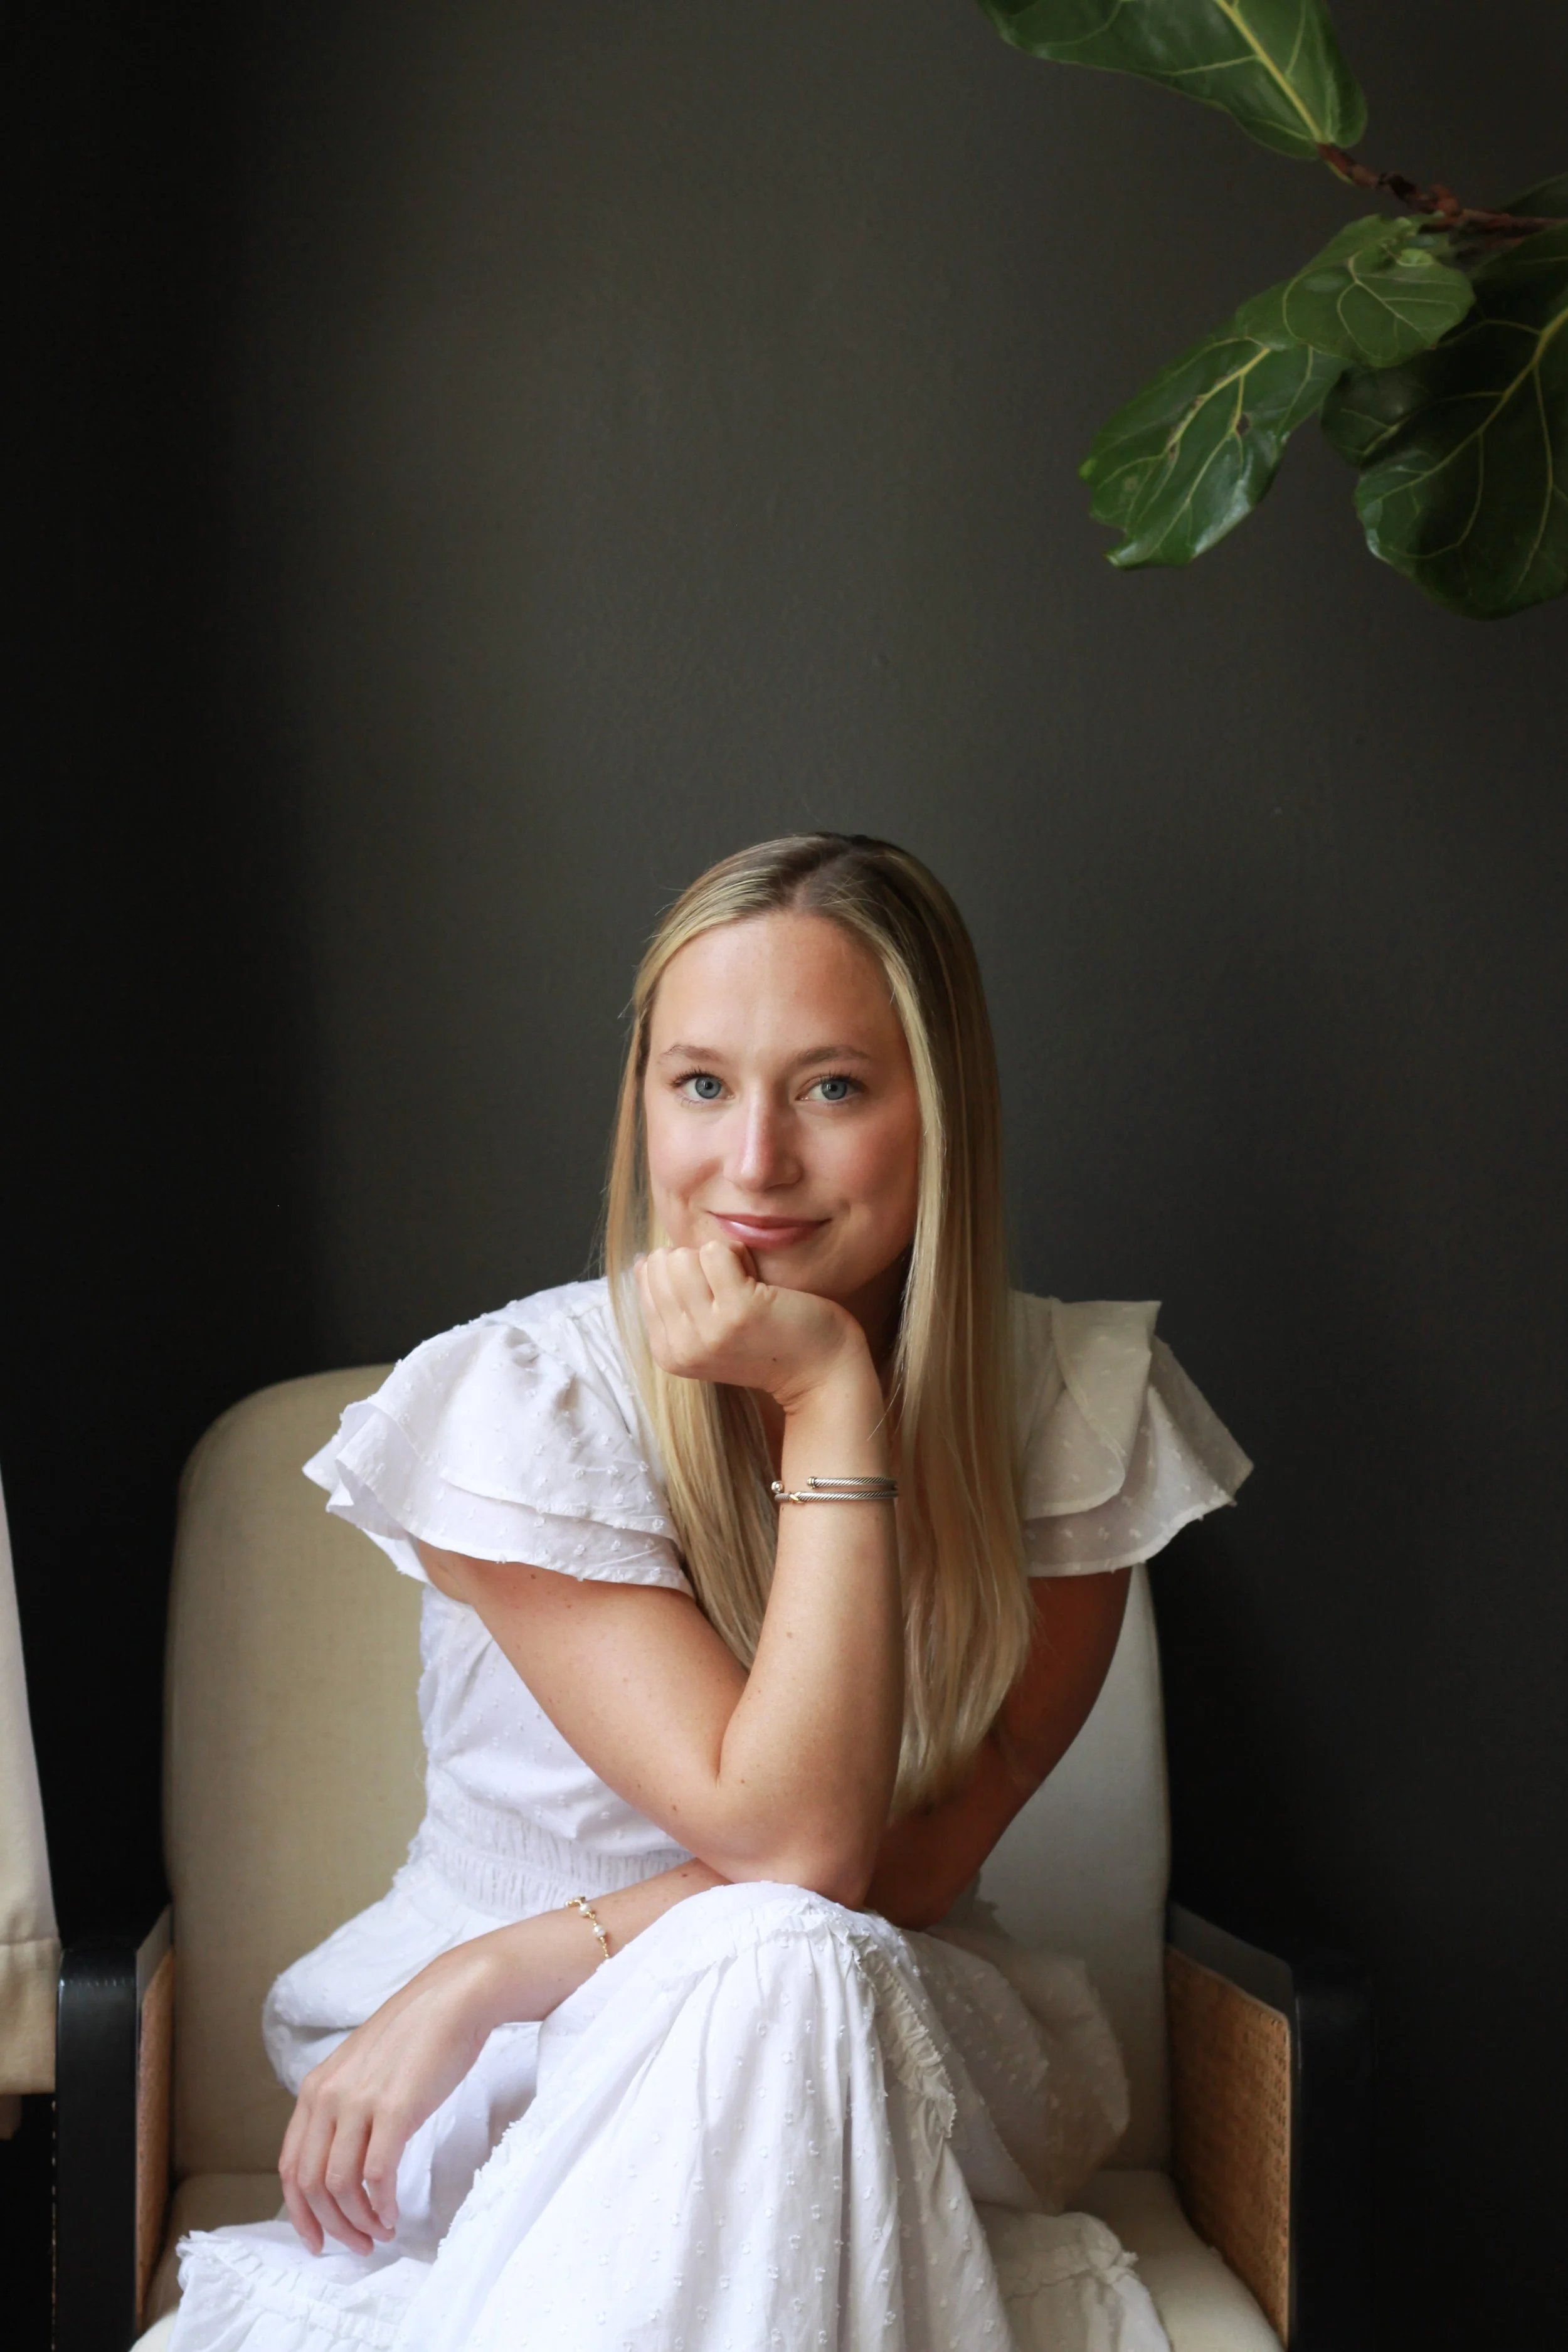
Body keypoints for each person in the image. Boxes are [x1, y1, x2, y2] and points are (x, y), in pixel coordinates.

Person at [171, 834, 1250, 2352]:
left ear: (939, 1114)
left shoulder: (1072, 1406)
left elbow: (856, 1866)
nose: (752, 1166)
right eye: (698, 1084)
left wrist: (829, 1398)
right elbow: (787, 1844)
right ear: (642, 1103)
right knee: (775, 1948)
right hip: (506, 2076)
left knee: (789, 1960)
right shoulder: (527, 1400)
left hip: (885, 2019)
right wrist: (488, 1982)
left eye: (830, 1087)